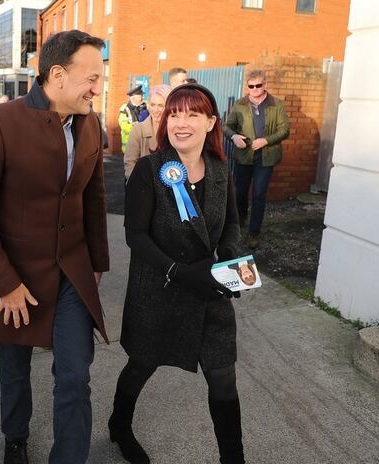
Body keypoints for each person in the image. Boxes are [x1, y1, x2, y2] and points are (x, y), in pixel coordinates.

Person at [0, 30, 109, 464]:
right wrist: (4, 282)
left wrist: (97, 262)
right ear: (58, 75)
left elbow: (94, 199)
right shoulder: (0, 123)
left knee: (74, 375)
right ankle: (15, 437)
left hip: (72, 275)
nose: (97, 88)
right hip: (15, 275)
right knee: (14, 369)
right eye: (92, 78)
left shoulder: (90, 124)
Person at [115, 83, 245, 464]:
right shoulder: (150, 170)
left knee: (223, 378)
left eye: (191, 114)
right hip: (159, 291)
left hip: (209, 292)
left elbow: (233, 225)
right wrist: (178, 271)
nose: (180, 122)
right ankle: (119, 426)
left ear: (210, 122)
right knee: (141, 365)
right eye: (174, 113)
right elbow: (135, 236)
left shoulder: (222, 169)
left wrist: (226, 258)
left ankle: (233, 458)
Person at [225, 69, 290, 249]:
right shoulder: (240, 105)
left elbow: (285, 130)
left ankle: (254, 233)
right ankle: (240, 221)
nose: (254, 89)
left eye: (258, 85)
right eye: (251, 86)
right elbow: (227, 127)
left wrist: (266, 140)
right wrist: (234, 137)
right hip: (244, 156)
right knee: (240, 193)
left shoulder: (276, 104)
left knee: (259, 194)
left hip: (266, 157)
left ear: (265, 85)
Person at [123, 85, 171, 180]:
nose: (156, 110)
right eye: (152, 105)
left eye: (161, 105)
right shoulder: (138, 130)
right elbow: (130, 163)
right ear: (148, 105)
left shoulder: (175, 130)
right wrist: (138, 186)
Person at [118, 85, 146, 154]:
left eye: (142, 95)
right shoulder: (124, 109)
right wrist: (139, 126)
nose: (143, 97)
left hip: (143, 148)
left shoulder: (145, 108)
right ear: (133, 98)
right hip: (130, 149)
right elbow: (125, 127)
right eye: (140, 96)